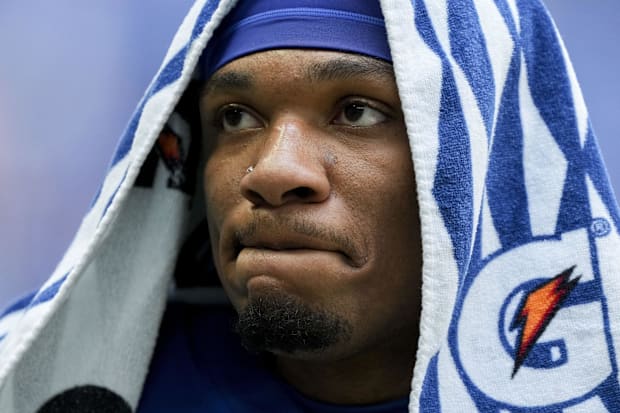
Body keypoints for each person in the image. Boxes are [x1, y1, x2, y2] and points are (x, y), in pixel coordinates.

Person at [1, 0, 619, 412]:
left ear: (481, 161)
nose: (274, 170)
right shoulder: (42, 381)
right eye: (236, 118)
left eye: (357, 111)